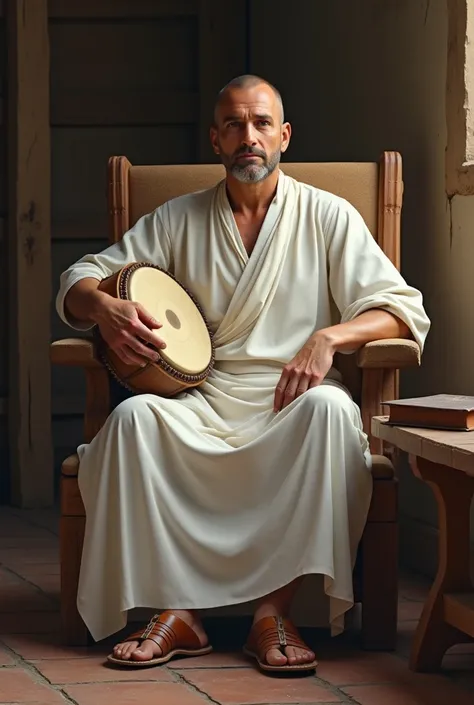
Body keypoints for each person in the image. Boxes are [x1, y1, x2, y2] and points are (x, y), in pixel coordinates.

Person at [56, 74, 430, 674]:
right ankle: (179, 612)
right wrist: (103, 307)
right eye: (233, 124)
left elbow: (401, 308)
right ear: (215, 139)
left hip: (290, 401)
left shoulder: (327, 216)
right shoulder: (178, 218)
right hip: (200, 400)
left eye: (260, 124)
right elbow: (81, 277)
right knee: (132, 419)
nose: (247, 136)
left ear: (283, 135)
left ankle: (272, 612)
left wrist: (330, 337)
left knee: (333, 411)